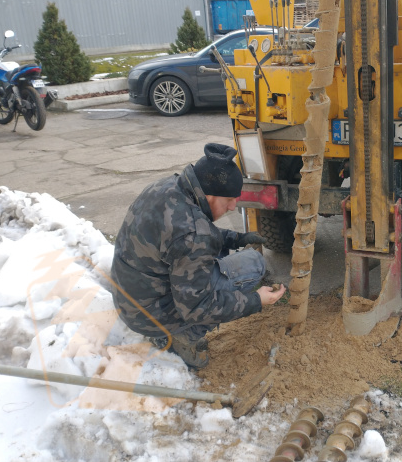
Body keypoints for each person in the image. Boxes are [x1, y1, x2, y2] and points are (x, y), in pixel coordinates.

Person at [110, 143, 286, 369]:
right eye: (229, 200)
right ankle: (183, 337)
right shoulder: (195, 235)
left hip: (132, 301)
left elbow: (178, 236)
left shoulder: (166, 187)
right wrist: (256, 300)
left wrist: (234, 238)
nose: (233, 207)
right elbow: (198, 308)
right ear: (210, 196)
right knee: (254, 264)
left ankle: (166, 328)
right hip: (151, 316)